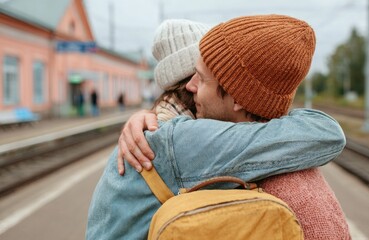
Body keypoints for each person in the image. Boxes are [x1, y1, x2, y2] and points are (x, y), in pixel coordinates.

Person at [86, 16, 348, 240]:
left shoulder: (175, 128)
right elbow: (327, 133)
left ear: (237, 98)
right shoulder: (184, 139)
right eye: (193, 74)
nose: (191, 85)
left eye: (201, 77)